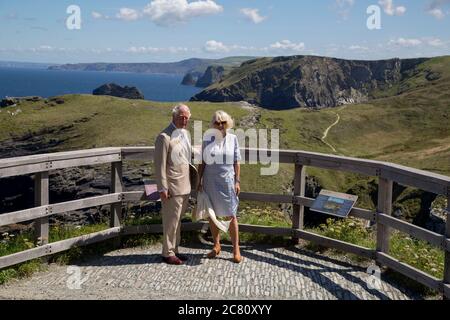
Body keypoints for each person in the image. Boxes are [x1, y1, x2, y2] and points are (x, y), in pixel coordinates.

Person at [197, 111, 242, 263]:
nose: (220, 125)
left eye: (223, 122)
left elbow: (237, 162)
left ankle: (236, 249)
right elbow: (202, 161)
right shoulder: (207, 138)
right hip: (210, 181)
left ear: (227, 122)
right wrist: (199, 179)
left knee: (231, 215)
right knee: (212, 214)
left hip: (227, 181)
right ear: (213, 124)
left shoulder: (233, 138)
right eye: (217, 122)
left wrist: (237, 181)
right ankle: (216, 246)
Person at [154, 104, 192, 265]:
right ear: (173, 117)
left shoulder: (185, 134)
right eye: (181, 117)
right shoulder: (164, 137)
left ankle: (175, 249)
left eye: (186, 117)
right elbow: (159, 164)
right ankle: (167, 253)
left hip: (185, 185)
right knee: (171, 221)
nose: (184, 120)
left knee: (178, 221)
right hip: (172, 187)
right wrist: (162, 187)